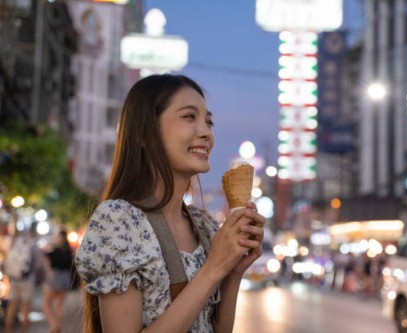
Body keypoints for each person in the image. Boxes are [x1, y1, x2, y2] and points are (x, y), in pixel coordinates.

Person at [75, 74, 265, 333]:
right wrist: (213, 267)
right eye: (189, 117)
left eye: (209, 122)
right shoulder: (118, 221)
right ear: (143, 132)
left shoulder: (204, 225)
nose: (206, 133)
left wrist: (232, 271)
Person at [4, 227, 42, 333]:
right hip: (28, 280)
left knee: (12, 306)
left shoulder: (15, 243)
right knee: (25, 308)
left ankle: (7, 330)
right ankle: (24, 331)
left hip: (14, 279)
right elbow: (38, 264)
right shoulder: (33, 246)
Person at [42, 228, 75, 333]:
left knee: (46, 304)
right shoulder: (69, 250)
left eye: (57, 236)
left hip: (56, 277)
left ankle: (54, 325)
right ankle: (58, 326)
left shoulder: (54, 249)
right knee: (59, 305)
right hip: (66, 278)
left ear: (60, 237)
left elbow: (46, 260)